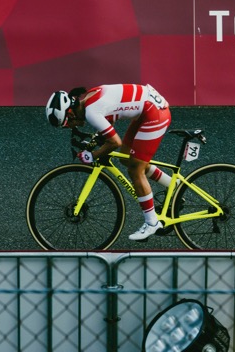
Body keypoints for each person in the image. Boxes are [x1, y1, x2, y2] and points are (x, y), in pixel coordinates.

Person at [45, 83, 173, 241]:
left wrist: (93, 156)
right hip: (149, 108)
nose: (71, 127)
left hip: (154, 114)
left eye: (66, 124)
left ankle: (152, 223)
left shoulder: (91, 112)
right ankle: (174, 186)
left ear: (70, 114)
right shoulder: (87, 99)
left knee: (135, 169)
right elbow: (106, 125)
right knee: (126, 158)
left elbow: (114, 142)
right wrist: (93, 145)